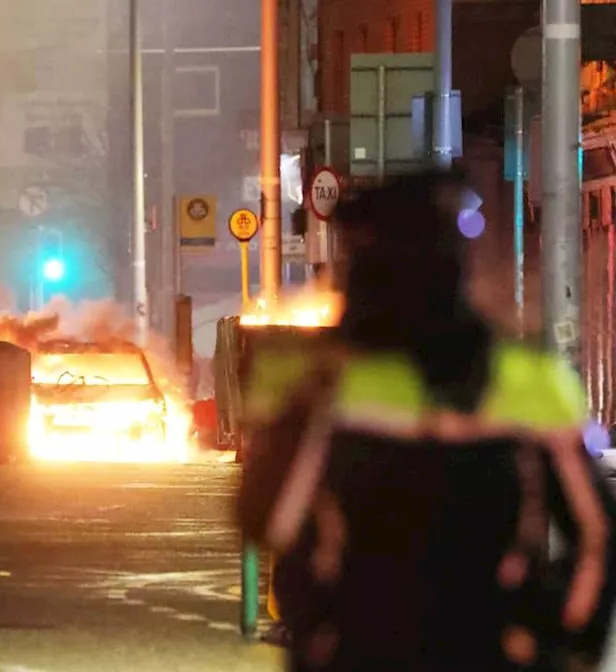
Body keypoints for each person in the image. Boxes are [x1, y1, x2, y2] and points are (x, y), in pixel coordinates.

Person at [236, 169, 616, 671]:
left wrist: (314, 633)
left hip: (360, 647)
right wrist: (562, 644)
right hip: (490, 647)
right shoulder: (530, 380)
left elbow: (267, 520)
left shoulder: (314, 380)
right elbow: (596, 535)